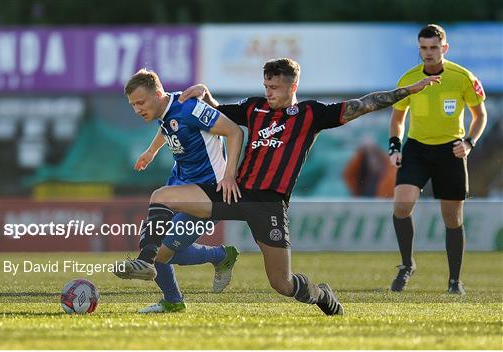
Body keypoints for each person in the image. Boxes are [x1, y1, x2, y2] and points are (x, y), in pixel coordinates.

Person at [121, 58, 440, 315]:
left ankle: (321, 295)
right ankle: (146, 261)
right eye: (265, 85)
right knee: (162, 196)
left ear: (292, 86)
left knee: (282, 284)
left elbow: (365, 103)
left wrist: (409, 90)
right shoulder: (254, 107)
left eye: (274, 86)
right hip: (234, 193)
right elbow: (217, 117)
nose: (268, 91)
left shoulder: (311, 114)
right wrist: (206, 94)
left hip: (269, 205)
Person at [114, 68, 243, 313]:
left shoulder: (189, 108)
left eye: (141, 102)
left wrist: (229, 176)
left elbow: (234, 131)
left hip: (208, 194)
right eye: (133, 105)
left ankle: (173, 297)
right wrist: (151, 151)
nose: (137, 109)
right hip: (181, 190)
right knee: (153, 243)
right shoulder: (166, 110)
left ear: (159, 94)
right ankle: (218, 257)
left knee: (159, 252)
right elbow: (168, 127)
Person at [388, 24, 487, 295]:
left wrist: (468, 143)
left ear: (444, 48)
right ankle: (407, 265)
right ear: (418, 48)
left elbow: (480, 116)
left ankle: (455, 281)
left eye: (433, 47)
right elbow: (398, 119)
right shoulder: (409, 79)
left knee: (452, 219)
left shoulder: (462, 77)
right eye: (423, 47)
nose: (428, 53)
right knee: (401, 206)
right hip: (417, 149)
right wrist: (395, 147)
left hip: (450, 151)